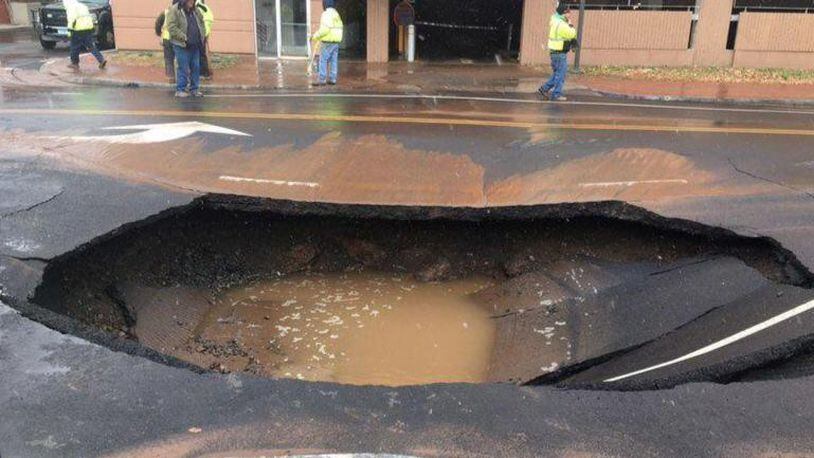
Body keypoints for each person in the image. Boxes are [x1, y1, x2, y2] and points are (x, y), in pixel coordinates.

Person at [166, 0, 206, 98]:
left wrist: (202, 35)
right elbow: (171, 27)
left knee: (195, 67)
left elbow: (201, 23)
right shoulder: (175, 10)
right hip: (181, 45)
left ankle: (194, 89)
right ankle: (180, 89)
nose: (192, 2)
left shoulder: (196, 10)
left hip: (195, 44)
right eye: (190, 0)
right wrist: (184, 37)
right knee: (183, 67)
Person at [538, 4, 577, 101]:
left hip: (554, 52)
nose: (570, 14)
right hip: (559, 53)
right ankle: (557, 94)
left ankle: (544, 88)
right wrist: (571, 24)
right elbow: (572, 33)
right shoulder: (561, 24)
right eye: (568, 12)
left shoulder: (555, 21)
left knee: (557, 73)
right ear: (564, 13)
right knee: (561, 74)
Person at [63, 0, 107, 71]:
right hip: (87, 28)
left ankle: (75, 64)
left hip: (78, 29)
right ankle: (101, 60)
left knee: (74, 47)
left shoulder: (70, 7)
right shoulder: (83, 6)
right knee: (90, 46)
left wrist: (69, 32)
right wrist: (92, 28)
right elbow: (89, 17)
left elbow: (71, 20)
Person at [312, 0, 343, 86]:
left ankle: (322, 80)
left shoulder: (326, 14)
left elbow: (324, 30)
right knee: (333, 60)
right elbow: (339, 27)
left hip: (328, 41)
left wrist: (315, 36)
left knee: (323, 60)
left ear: (325, 4)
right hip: (336, 41)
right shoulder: (336, 14)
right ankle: (333, 79)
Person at [154, 0, 181, 83]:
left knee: (168, 58)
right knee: (181, 58)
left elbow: (158, 23)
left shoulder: (165, 12)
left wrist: (159, 33)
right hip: (178, 39)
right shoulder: (182, 13)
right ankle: (182, 78)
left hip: (167, 39)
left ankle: (171, 77)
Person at [196, 0, 214, 79]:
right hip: (202, 32)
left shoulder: (199, 6)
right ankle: (203, 72)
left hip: (202, 33)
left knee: (200, 53)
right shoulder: (201, 6)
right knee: (201, 53)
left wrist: (204, 33)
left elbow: (207, 19)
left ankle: (204, 73)